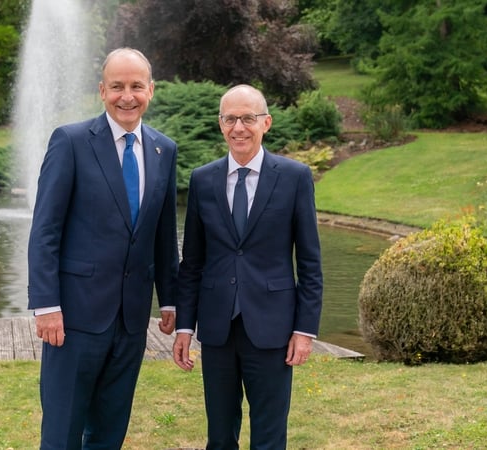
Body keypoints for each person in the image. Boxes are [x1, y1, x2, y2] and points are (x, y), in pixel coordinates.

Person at [27, 47, 179, 450]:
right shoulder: (71, 141)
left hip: (131, 321)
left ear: (151, 90)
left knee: (109, 433)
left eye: (135, 86)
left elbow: (163, 235)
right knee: (61, 433)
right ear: (102, 90)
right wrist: (46, 305)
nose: (126, 96)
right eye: (117, 87)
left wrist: (170, 301)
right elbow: (45, 229)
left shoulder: (164, 150)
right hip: (73, 320)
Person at [173, 84, 323, 449]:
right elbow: (192, 263)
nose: (239, 127)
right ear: (220, 124)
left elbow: (310, 263)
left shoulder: (294, 177)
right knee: (220, 434)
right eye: (230, 119)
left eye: (248, 118)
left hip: (273, 326)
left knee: (269, 434)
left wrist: (304, 330)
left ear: (266, 123)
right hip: (217, 327)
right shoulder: (203, 180)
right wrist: (184, 327)